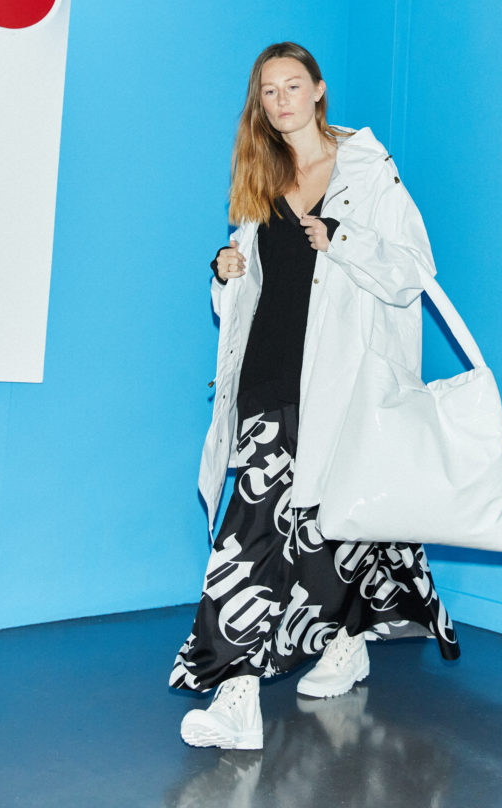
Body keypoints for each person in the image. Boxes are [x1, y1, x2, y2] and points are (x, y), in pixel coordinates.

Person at [169, 41, 460, 750]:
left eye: (292, 86)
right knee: (257, 529)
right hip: (267, 379)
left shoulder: (366, 170)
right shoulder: (261, 178)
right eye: (267, 92)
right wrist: (224, 270)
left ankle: (338, 642)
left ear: (319, 89)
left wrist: (343, 239)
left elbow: (410, 272)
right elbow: (251, 293)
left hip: (339, 380)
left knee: (336, 523)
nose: (280, 101)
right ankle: (239, 694)